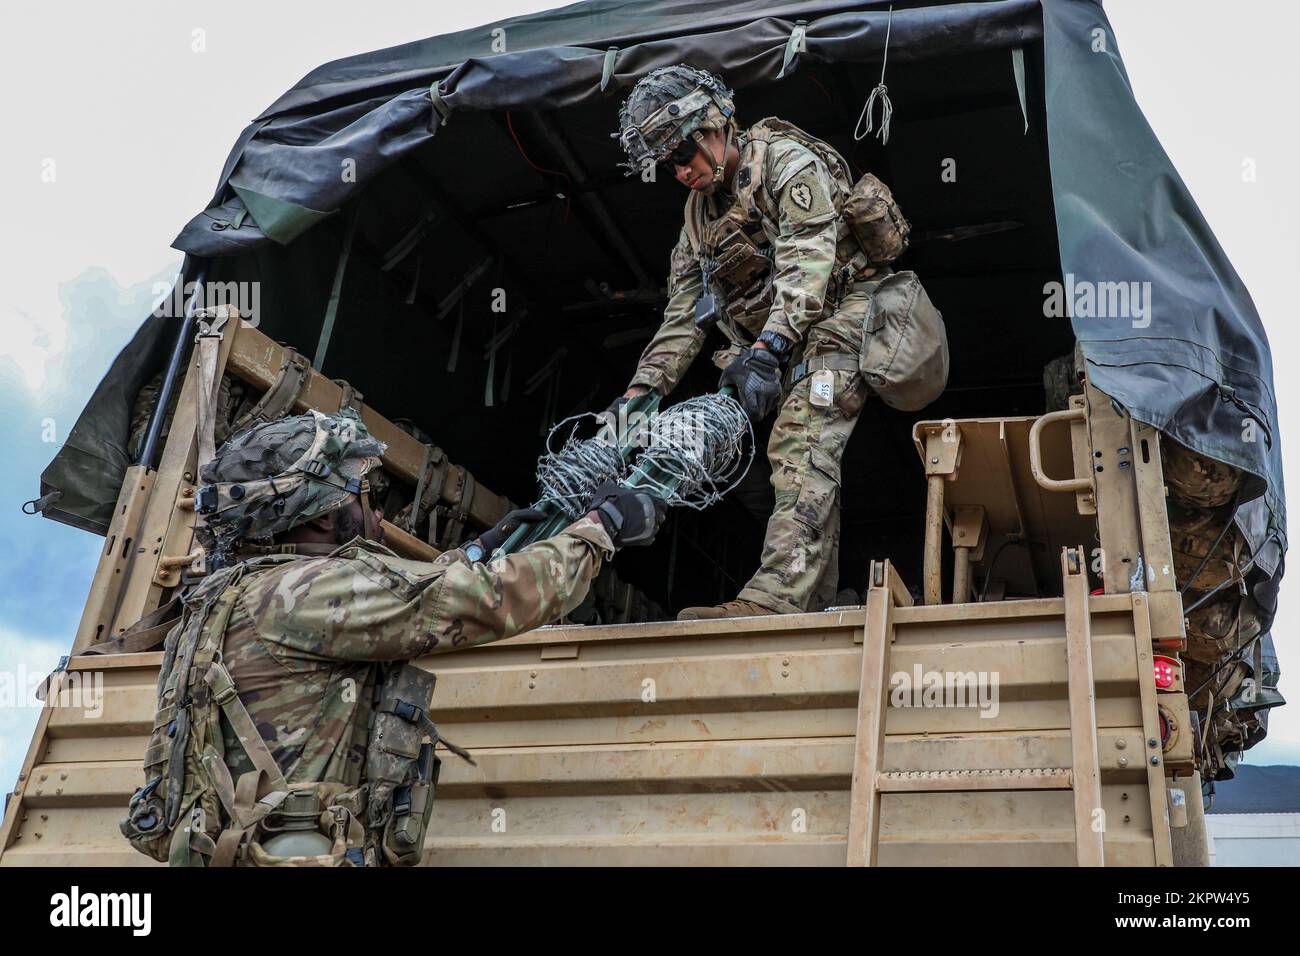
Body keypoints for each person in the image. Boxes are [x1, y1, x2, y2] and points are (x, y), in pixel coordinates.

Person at [121, 407, 665, 866]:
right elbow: (492, 600)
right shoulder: (308, 594)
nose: (375, 512)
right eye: (360, 495)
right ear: (314, 518)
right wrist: (600, 529)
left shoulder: (233, 595)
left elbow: (405, 592)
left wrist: (478, 550)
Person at [611, 64, 934, 620]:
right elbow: (684, 316)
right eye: (668, 163)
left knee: (799, 440)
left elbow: (810, 260)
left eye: (683, 152)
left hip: (847, 310)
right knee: (798, 459)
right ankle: (817, 603)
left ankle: (772, 600)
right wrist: (638, 396)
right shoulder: (698, 220)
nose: (680, 170)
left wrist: (769, 349)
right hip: (787, 338)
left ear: (717, 127)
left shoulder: (786, 163)